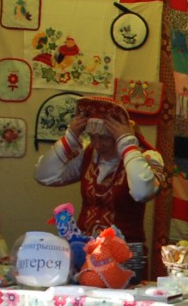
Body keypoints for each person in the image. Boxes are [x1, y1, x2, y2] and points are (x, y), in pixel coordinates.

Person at [35, 96, 167, 278]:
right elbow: (44, 176)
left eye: (105, 138)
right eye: (92, 137)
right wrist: (70, 136)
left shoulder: (146, 158)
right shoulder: (89, 155)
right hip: (86, 258)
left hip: (125, 260)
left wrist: (127, 145)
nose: (97, 144)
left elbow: (142, 192)